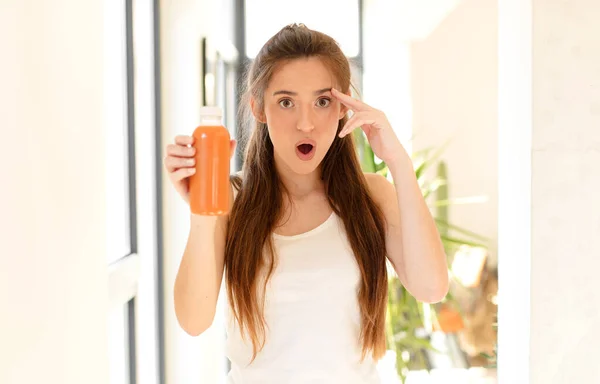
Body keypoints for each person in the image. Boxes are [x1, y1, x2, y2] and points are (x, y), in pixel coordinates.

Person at [164, 23, 449, 384]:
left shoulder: (372, 196)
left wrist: (398, 162)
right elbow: (193, 320)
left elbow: (431, 287)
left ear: (345, 105)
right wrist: (203, 210)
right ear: (259, 108)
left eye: (322, 101)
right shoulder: (232, 200)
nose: (305, 123)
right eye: (286, 102)